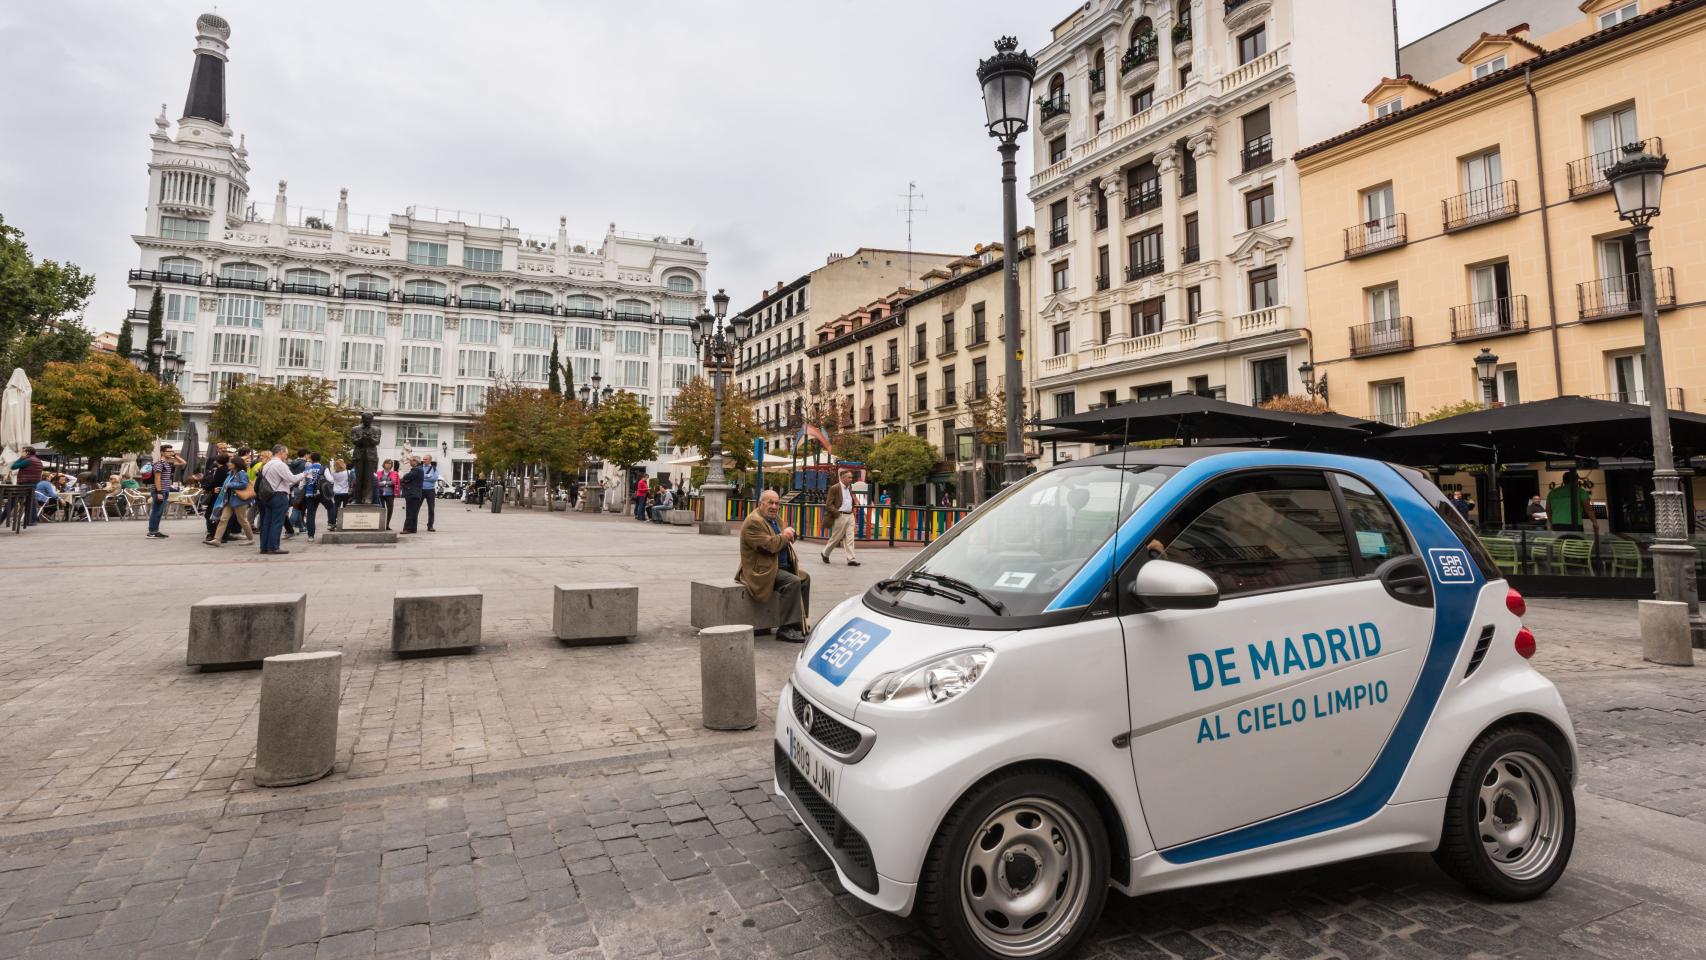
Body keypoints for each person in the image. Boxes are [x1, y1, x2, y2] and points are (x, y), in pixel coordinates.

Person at [738, 490, 811, 643]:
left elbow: (783, 536)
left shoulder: (774, 518)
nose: (774, 506)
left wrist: (791, 533)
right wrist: (785, 535)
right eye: (770, 502)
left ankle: (799, 622)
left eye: (777, 503)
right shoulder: (753, 522)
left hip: (778, 566)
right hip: (761, 570)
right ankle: (786, 628)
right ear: (761, 503)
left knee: (805, 578)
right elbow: (769, 545)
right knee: (793, 581)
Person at [257, 444, 302, 555]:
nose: (286, 455)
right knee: (277, 521)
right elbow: (292, 478)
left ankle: (264, 547)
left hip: (267, 495)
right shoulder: (280, 465)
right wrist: (304, 474)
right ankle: (273, 547)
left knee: (267, 521)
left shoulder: (267, 465)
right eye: (286, 453)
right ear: (281, 452)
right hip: (279, 496)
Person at [206, 453, 256, 545]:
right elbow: (227, 486)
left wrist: (230, 485)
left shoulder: (242, 473)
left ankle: (250, 539)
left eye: (231, 463)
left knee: (242, 520)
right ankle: (217, 540)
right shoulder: (231, 473)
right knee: (223, 519)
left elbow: (244, 484)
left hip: (239, 501)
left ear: (236, 465)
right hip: (229, 500)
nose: (229, 464)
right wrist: (222, 488)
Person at [820, 468, 861, 567]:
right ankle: (825, 553)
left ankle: (851, 559)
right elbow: (828, 504)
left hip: (850, 515)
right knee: (836, 538)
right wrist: (837, 513)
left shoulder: (850, 487)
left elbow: (849, 500)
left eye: (852, 477)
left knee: (850, 538)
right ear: (842, 478)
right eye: (849, 477)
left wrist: (855, 505)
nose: (851, 479)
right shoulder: (835, 488)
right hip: (840, 515)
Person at [146, 443, 186, 540]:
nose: (170, 453)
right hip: (159, 491)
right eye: (168, 451)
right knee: (156, 511)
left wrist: (175, 455)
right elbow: (157, 479)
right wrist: (159, 492)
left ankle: (155, 531)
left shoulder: (167, 464)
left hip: (165, 490)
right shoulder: (159, 464)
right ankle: (152, 532)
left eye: (171, 451)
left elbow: (183, 463)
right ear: (162, 453)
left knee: (159, 512)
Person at [299, 453, 326, 540]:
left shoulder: (308, 469)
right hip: (320, 493)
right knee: (330, 506)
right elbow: (330, 480)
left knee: (310, 515)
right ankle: (331, 523)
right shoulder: (323, 468)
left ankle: (311, 536)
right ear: (320, 459)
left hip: (309, 494)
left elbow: (301, 484)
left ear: (311, 459)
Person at [400, 456, 426, 534]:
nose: (410, 463)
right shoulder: (419, 469)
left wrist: (404, 479)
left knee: (410, 512)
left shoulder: (417, 469)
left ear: (415, 461)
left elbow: (407, 476)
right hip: (415, 493)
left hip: (412, 493)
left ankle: (407, 528)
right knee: (414, 512)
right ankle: (413, 529)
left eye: (411, 461)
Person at [375, 459, 400, 528]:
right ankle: (381, 524)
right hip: (380, 494)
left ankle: (387, 524)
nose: (388, 465)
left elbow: (394, 482)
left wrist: (384, 482)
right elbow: (377, 483)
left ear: (391, 465)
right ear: (384, 464)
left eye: (390, 464)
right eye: (386, 463)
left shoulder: (394, 473)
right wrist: (387, 483)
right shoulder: (378, 473)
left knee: (390, 509)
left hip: (390, 494)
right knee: (381, 509)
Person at [328, 459, 350, 527]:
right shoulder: (348, 472)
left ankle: (333, 522)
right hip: (346, 492)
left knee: (336, 507)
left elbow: (331, 479)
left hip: (337, 492)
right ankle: (345, 521)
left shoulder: (334, 473)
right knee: (345, 507)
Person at [421, 454, 440, 532]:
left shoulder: (434, 469)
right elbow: (419, 478)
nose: (424, 460)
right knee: (416, 508)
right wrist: (428, 476)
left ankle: (430, 526)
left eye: (425, 459)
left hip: (430, 490)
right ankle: (413, 525)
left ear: (430, 460)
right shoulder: (420, 468)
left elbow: (435, 478)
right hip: (421, 490)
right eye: (423, 459)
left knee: (431, 509)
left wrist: (424, 477)